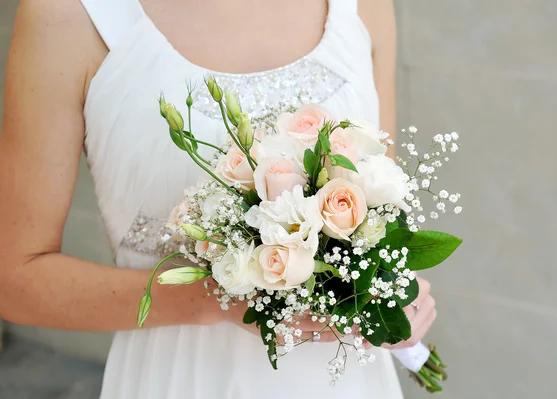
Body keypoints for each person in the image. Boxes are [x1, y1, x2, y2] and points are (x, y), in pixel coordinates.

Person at [0, 0, 437, 397]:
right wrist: (230, 301)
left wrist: (393, 292)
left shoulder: (363, 5)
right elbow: (15, 281)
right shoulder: (67, 15)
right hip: (179, 378)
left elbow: (382, 206)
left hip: (346, 381)